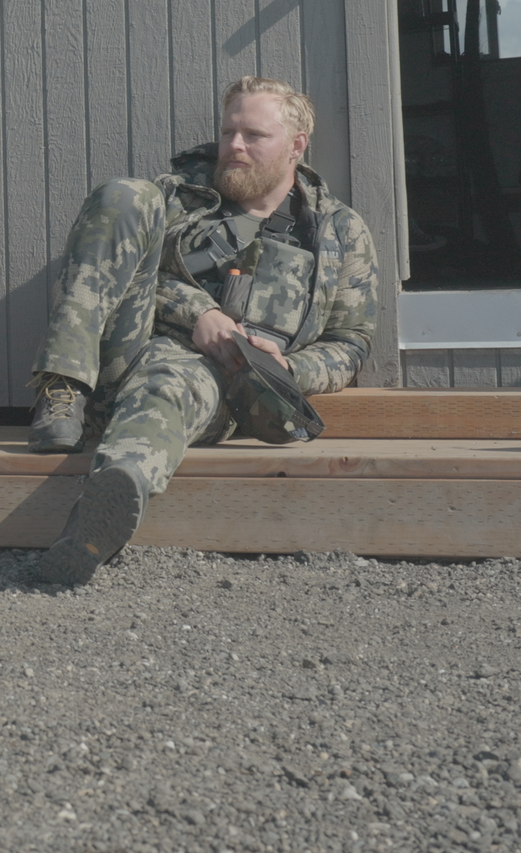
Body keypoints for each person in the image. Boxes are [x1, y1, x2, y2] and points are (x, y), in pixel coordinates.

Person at [24, 77, 379, 586]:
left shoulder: (339, 232)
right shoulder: (178, 197)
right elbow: (126, 279)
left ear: (296, 146)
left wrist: (288, 367)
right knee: (124, 194)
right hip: (123, 351)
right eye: (229, 131)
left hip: (225, 382)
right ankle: (62, 388)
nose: (233, 146)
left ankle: (98, 517)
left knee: (168, 383)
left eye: (253, 135)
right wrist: (201, 314)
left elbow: (351, 342)